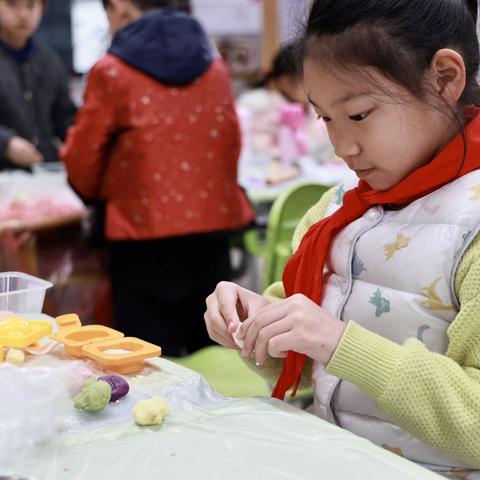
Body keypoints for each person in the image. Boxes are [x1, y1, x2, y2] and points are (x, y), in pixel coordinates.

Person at [204, 0, 480, 476]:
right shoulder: (337, 207)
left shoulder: (471, 225)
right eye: (324, 118)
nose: (341, 147)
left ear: (444, 79)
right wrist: (250, 325)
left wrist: (339, 344)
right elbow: (295, 361)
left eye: (357, 115)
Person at [62, 0, 254, 356]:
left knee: (147, 360)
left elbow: (82, 157)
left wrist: (97, 197)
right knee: (213, 353)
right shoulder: (214, 67)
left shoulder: (112, 71)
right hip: (212, 231)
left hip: (141, 237)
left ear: (119, 8)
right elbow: (231, 142)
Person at [0, 0, 76, 170]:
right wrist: (5, 143)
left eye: (31, 5)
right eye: (12, 4)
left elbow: (65, 119)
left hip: (45, 171)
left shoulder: (50, 61)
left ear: (42, 9)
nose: (23, 14)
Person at [237, 41, 332, 160]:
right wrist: (279, 153)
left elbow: (322, 141)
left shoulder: (314, 107)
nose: (318, 87)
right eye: (310, 81)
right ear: (285, 82)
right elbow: (257, 145)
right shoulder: (266, 108)